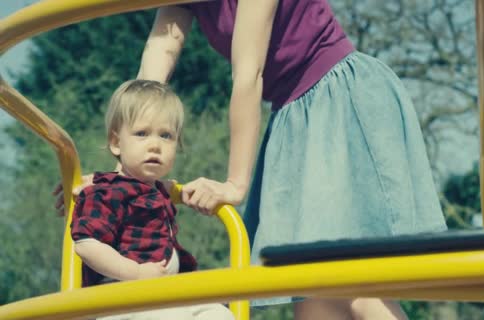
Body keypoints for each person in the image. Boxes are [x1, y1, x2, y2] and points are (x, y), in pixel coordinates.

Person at [59, 1, 448, 319]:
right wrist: (119, 180)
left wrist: (235, 185)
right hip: (294, 113)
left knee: (352, 282)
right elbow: (152, 75)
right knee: (309, 293)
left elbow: (248, 74)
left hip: (338, 97)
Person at [70, 79, 234, 320]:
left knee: (219, 314)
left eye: (166, 135)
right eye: (142, 133)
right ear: (116, 143)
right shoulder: (107, 192)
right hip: (119, 297)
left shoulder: (156, 190)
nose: (155, 145)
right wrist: (135, 272)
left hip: (160, 294)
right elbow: (86, 244)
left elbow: (158, 189)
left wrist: (173, 190)